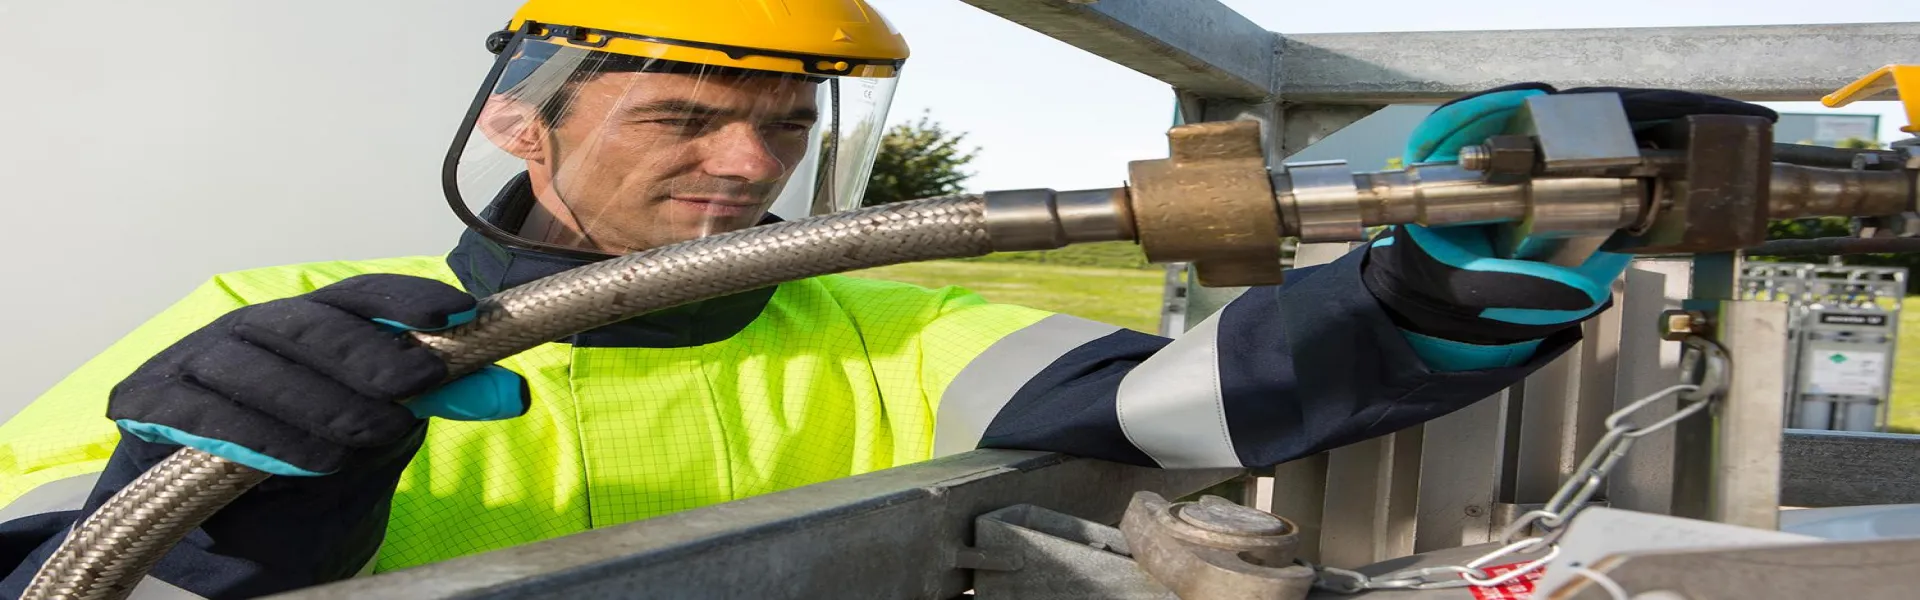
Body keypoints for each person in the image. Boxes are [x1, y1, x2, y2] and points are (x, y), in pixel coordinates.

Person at [0, 1, 1777, 598]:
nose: (745, 167)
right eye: (682, 115)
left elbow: (1221, 397)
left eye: (777, 125)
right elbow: (44, 563)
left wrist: (1471, 266)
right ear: (520, 128)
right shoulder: (278, 317)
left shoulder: (884, 323)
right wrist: (234, 524)